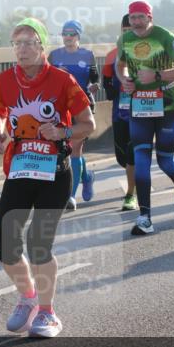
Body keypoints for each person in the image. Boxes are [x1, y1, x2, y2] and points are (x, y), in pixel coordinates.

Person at [0, 18, 95, 338]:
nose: (21, 50)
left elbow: (87, 123)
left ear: (42, 46)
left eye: (28, 43)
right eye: (17, 43)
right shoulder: (5, 80)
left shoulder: (62, 81)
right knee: (5, 242)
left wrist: (63, 131)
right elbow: (0, 113)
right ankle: (28, 297)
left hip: (55, 171)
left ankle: (48, 313)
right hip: (20, 169)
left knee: (38, 243)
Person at [116, 0, 174, 235]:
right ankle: (145, 217)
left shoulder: (165, 37)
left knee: (164, 161)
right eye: (133, 18)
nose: (137, 22)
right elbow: (120, 67)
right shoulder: (125, 40)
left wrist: (158, 74)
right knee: (140, 158)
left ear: (150, 18)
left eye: (141, 17)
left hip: (167, 105)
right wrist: (126, 81)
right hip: (140, 105)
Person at [48, 20, 99, 210]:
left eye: (72, 34)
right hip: (61, 108)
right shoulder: (54, 56)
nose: (68, 37)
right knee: (68, 149)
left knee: (76, 148)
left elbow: (95, 77)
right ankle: (87, 177)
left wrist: (95, 86)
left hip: (82, 106)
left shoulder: (87, 55)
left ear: (78, 36)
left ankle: (70, 195)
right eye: (65, 34)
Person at [102, 14, 138, 211]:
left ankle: (131, 194)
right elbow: (107, 88)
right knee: (122, 157)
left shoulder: (145, 52)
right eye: (125, 31)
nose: (128, 34)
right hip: (119, 113)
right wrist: (117, 86)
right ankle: (135, 180)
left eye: (131, 30)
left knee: (134, 154)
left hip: (142, 113)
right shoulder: (112, 56)